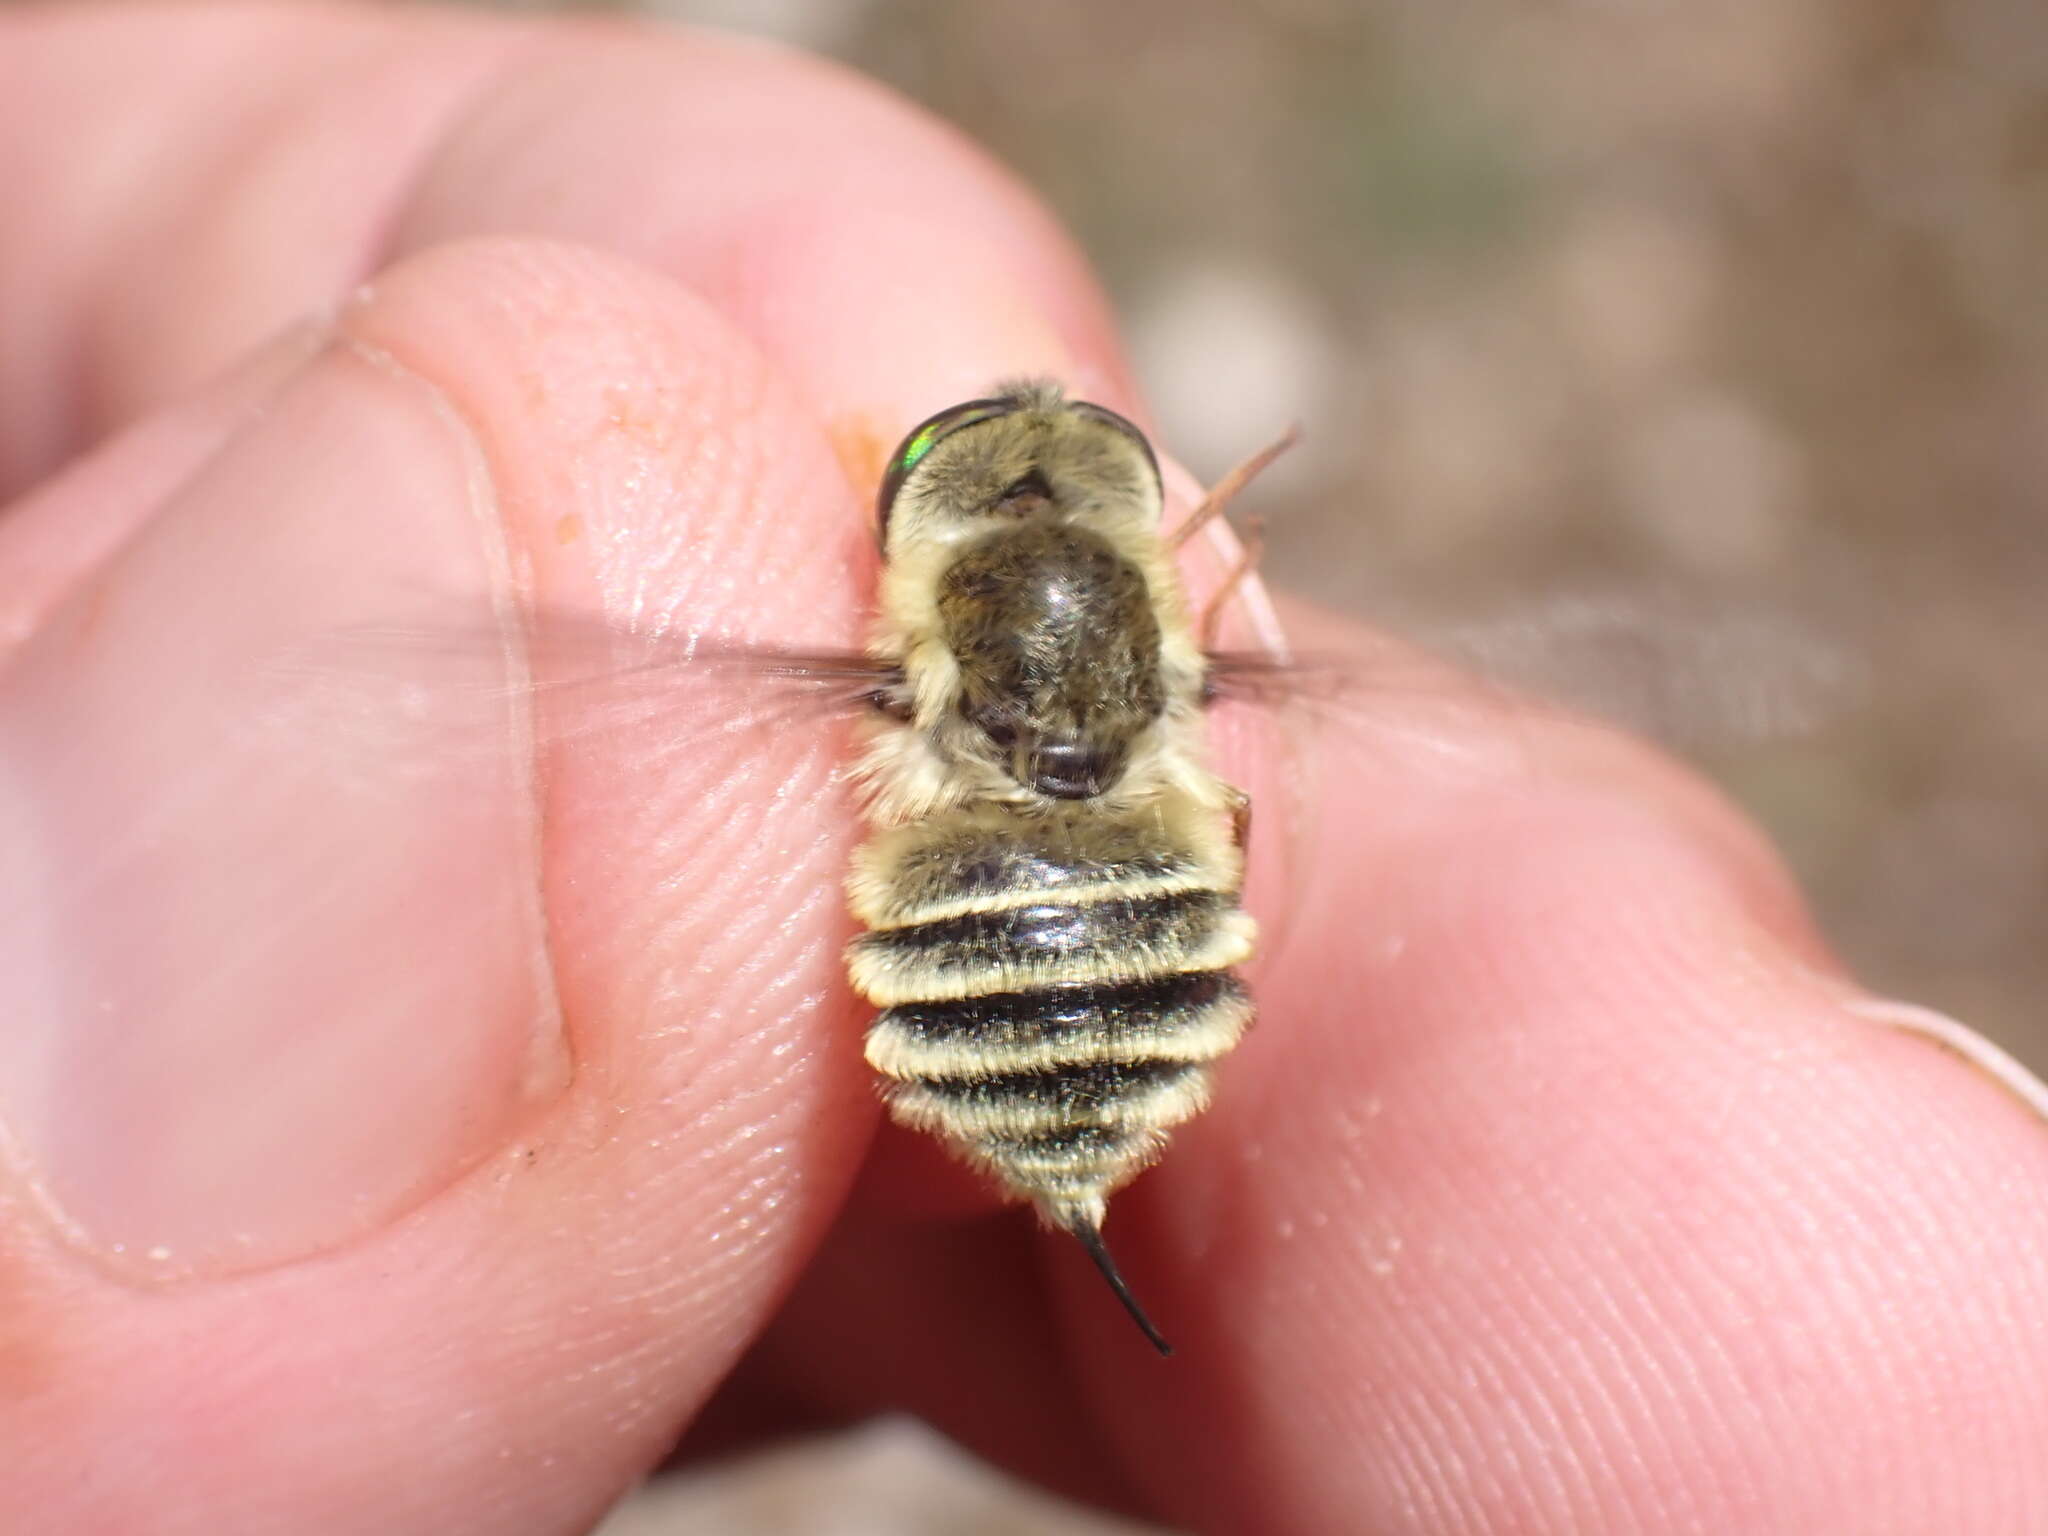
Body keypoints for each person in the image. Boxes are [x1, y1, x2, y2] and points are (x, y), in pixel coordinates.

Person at [2, 7, 2044, 1532]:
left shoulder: (872, 664)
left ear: (911, 589)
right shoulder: (1173, 669)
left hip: (1045, 965)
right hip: (1094, 963)